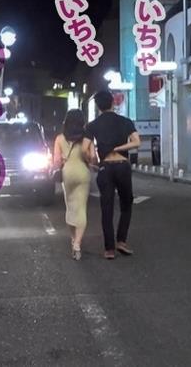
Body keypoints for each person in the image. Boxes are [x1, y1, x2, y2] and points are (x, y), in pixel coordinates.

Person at [86, 89, 141, 260]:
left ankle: (109, 249)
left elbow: (86, 149)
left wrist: (94, 159)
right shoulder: (125, 121)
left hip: (106, 167)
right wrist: (119, 148)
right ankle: (121, 241)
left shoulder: (92, 125)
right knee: (126, 204)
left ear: (98, 106)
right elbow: (137, 142)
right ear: (112, 102)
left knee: (106, 207)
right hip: (123, 166)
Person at [53, 109, 95, 260]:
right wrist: (87, 156)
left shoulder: (59, 139)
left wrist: (63, 161)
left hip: (68, 174)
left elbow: (56, 161)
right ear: (82, 122)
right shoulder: (87, 138)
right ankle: (77, 243)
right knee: (81, 208)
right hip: (83, 173)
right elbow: (93, 158)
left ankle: (73, 239)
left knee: (70, 207)